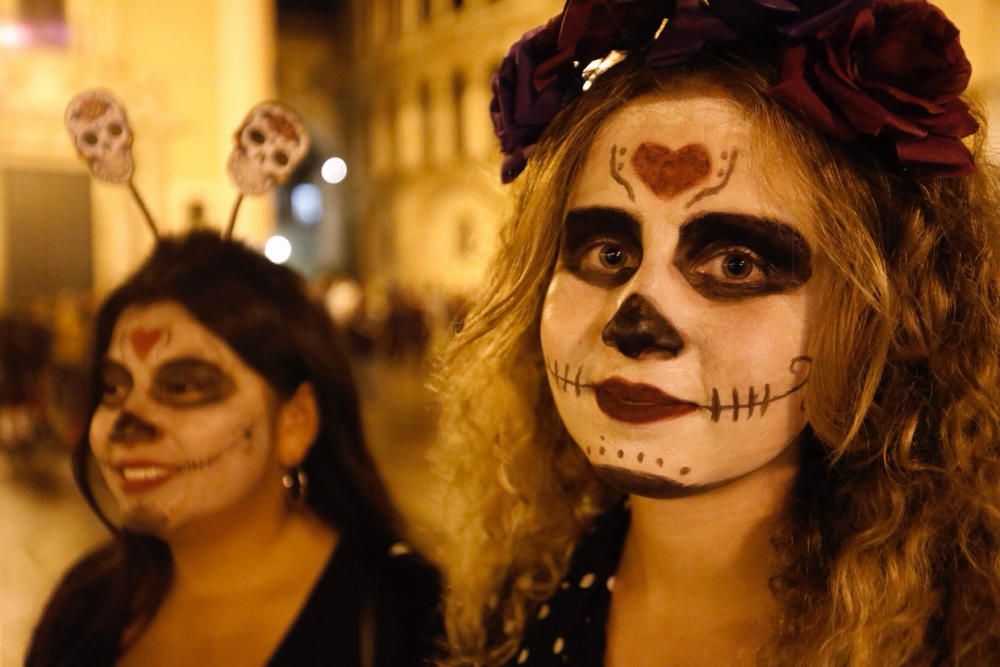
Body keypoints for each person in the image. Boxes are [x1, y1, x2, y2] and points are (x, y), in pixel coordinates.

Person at [432, 0, 1000, 664]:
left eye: (736, 262)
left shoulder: (961, 643)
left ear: (874, 312)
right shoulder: (512, 614)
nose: (636, 324)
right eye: (608, 253)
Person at [28, 231, 440, 666]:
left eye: (182, 386)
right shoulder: (84, 605)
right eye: (112, 388)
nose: (125, 426)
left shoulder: (411, 624)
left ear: (294, 424)